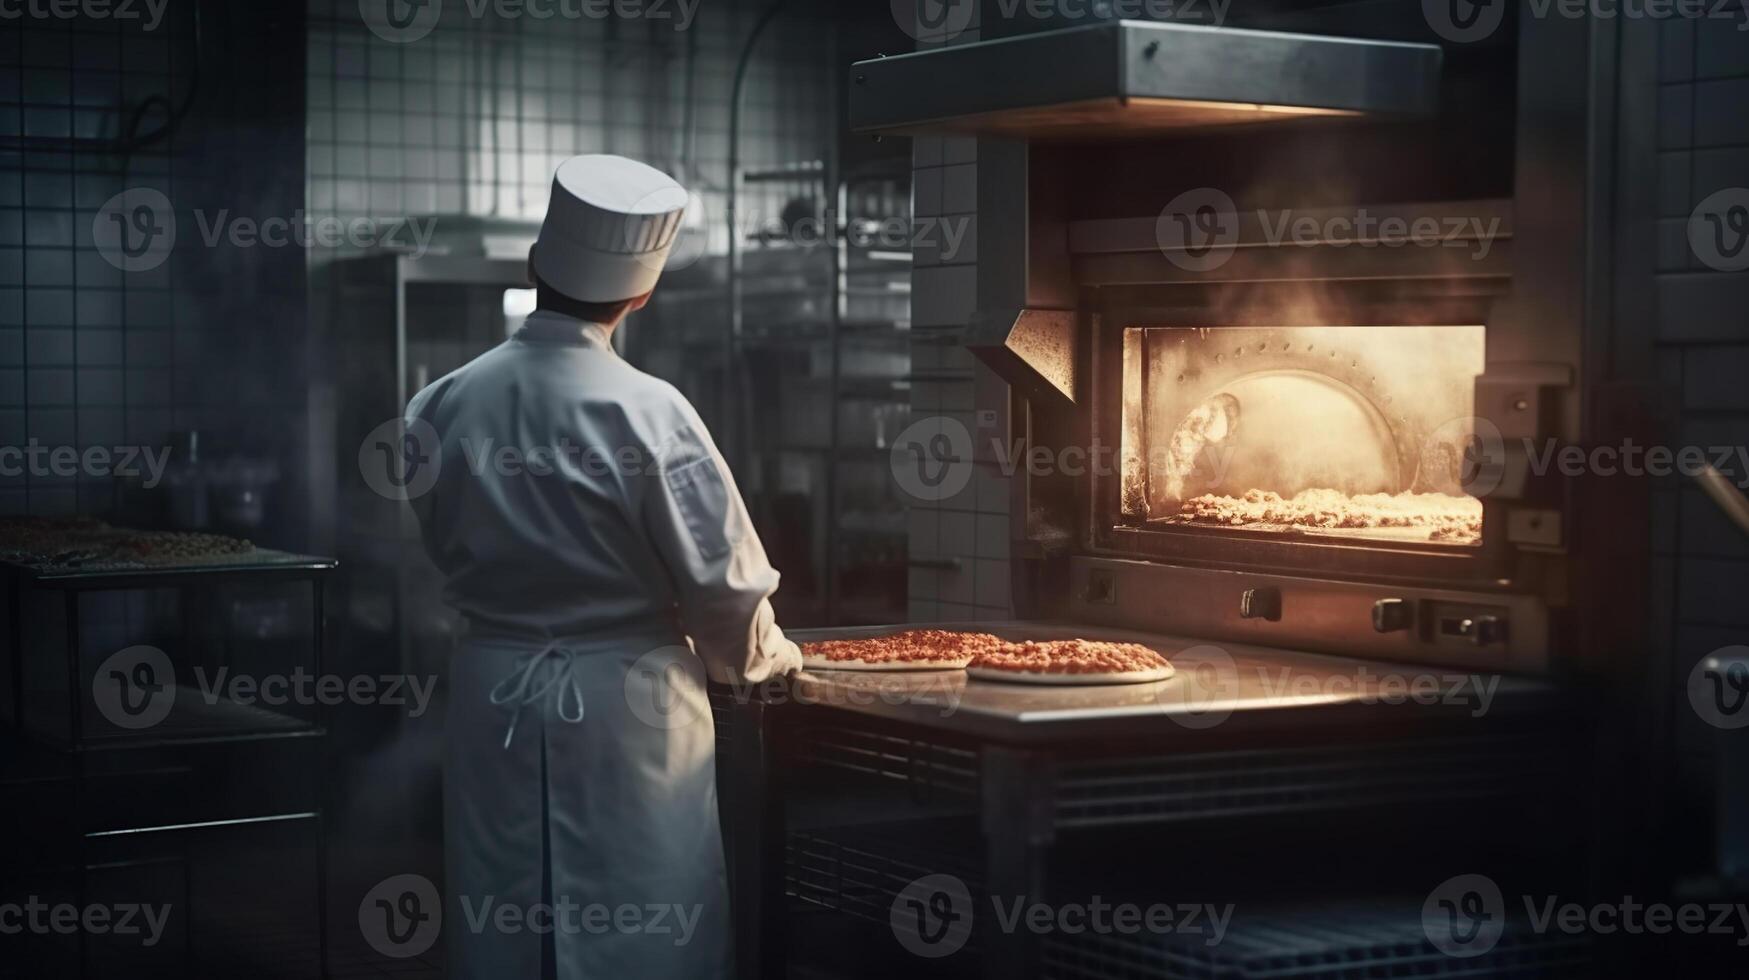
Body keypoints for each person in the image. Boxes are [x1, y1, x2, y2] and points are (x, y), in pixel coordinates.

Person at [404, 154, 802, 978]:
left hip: (494, 692)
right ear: (640, 294)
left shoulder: (441, 401)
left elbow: (438, 541)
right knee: (641, 931)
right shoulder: (649, 410)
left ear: (535, 267)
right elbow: (723, 587)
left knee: (504, 924)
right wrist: (767, 661)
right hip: (630, 707)